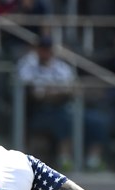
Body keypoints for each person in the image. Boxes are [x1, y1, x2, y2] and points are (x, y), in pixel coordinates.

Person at [15, 35, 109, 172]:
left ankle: (93, 160)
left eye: (48, 49)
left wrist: (56, 92)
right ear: (37, 49)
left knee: (97, 121)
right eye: (42, 49)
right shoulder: (28, 64)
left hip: (65, 106)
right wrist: (56, 93)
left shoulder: (60, 66)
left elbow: (72, 88)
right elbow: (35, 94)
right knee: (64, 120)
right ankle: (64, 159)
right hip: (39, 110)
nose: (45, 53)